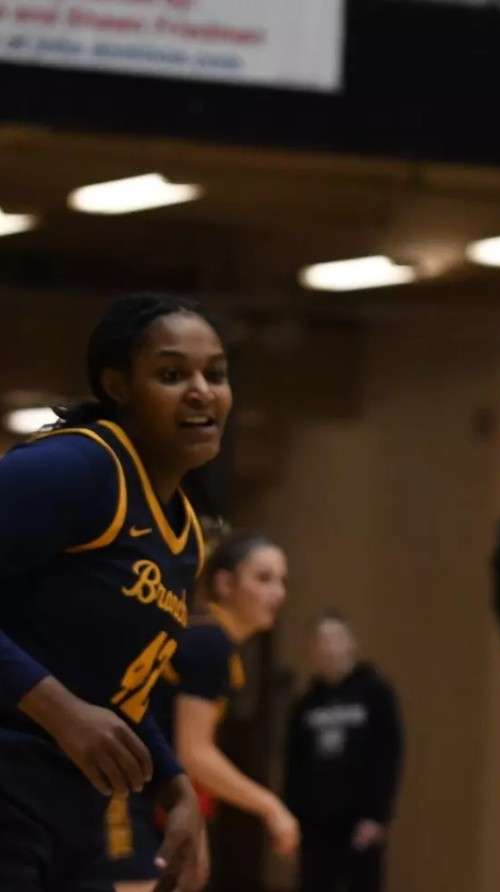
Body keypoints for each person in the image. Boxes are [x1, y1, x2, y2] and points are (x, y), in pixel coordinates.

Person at [0, 294, 225, 891]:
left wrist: (174, 783)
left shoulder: (187, 537)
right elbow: (76, 706)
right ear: (118, 386)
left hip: (73, 816)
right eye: (173, 374)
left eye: (216, 374)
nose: (202, 390)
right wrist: (61, 712)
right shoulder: (79, 467)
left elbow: (116, 688)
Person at [92, 532, 296, 891]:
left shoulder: (214, 642)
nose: (278, 593)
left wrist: (193, 814)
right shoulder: (210, 643)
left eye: (282, 580)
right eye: (263, 578)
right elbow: (194, 752)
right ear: (225, 583)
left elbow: (179, 748)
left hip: (144, 785)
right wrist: (271, 807)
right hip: (120, 785)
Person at [284, 613, 403, 892]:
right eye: (321, 641)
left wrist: (377, 815)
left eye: (336, 638)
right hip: (315, 825)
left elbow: (389, 757)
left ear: (352, 643)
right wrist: (290, 818)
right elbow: (293, 765)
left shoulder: (376, 694)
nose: (329, 647)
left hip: (359, 823)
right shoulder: (306, 704)